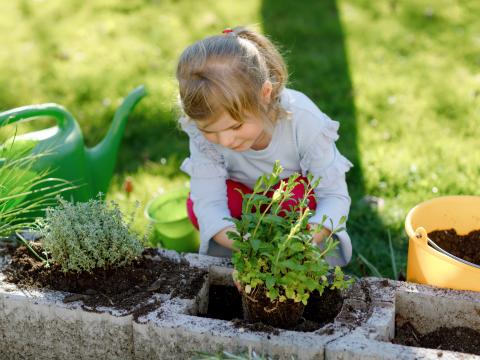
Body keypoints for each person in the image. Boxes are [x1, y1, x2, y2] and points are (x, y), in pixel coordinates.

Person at [176, 26, 353, 266]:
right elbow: (209, 202)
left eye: (235, 127)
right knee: (197, 205)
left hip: (291, 207)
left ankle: (301, 260)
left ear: (265, 94)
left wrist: (302, 240)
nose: (226, 141)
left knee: (297, 198)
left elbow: (334, 197)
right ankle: (234, 261)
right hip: (244, 207)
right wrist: (247, 246)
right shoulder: (201, 128)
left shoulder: (302, 119)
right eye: (210, 131)